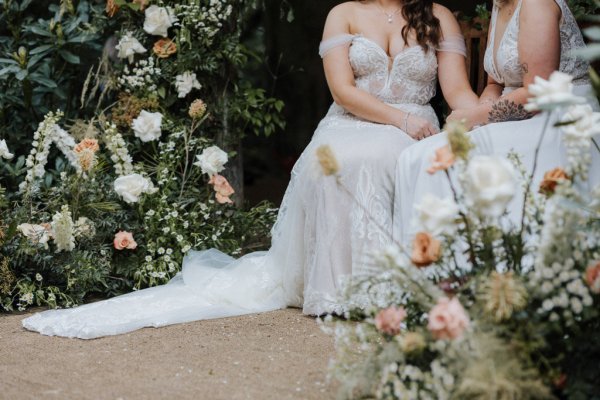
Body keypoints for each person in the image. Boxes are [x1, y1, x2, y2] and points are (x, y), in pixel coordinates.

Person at [22, 0, 474, 339]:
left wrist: (482, 121)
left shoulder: (437, 16)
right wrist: (400, 119)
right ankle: (338, 291)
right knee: (334, 164)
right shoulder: (344, 13)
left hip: (417, 129)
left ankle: (395, 289)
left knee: (386, 160)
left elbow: (458, 94)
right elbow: (342, 90)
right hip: (355, 122)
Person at [393, 0, 600, 244]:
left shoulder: (536, 4)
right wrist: (482, 111)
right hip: (516, 112)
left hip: (558, 114)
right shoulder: (500, 6)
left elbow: (538, 92)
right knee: (413, 157)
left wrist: (474, 117)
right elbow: (495, 84)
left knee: (437, 158)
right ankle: (432, 265)